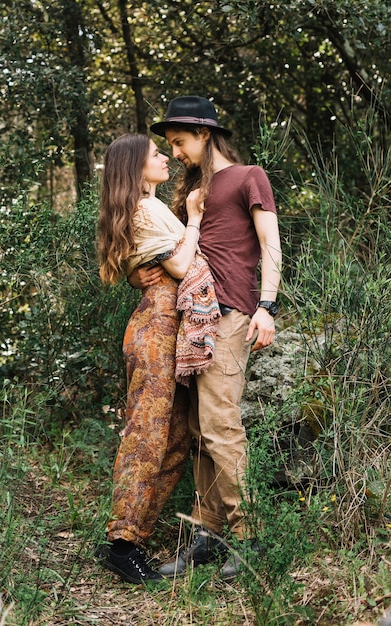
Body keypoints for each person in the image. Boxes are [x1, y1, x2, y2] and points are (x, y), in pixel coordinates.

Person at [131, 95, 282, 580]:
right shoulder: (191, 189)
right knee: (198, 429)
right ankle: (208, 535)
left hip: (233, 311)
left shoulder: (247, 176)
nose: (174, 153)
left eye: (179, 143)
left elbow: (270, 244)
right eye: (170, 146)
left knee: (220, 422)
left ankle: (248, 535)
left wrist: (266, 306)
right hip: (191, 319)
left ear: (203, 133)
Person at [96, 133, 218, 585]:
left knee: (174, 441)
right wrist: (194, 221)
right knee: (146, 435)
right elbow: (183, 267)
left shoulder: (149, 207)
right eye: (155, 154)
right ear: (134, 167)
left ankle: (131, 539)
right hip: (155, 330)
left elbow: (156, 264)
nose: (165, 157)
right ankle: (122, 544)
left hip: (168, 327)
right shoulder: (147, 210)